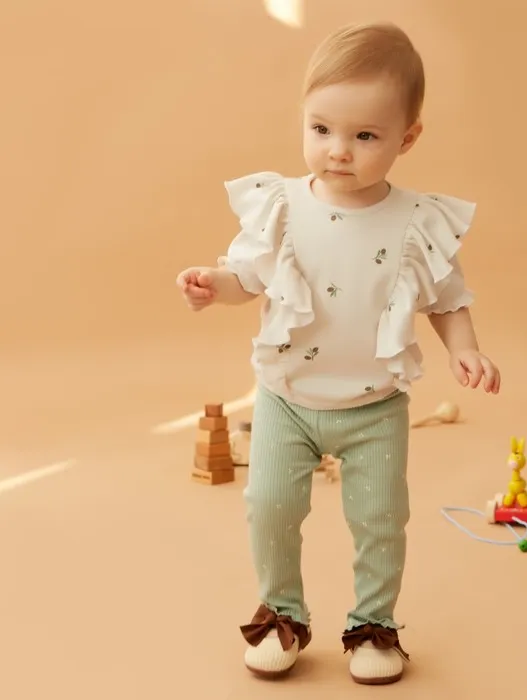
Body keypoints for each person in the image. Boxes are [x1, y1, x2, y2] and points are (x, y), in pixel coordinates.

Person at [176, 21, 501, 685]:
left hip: (374, 407)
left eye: (365, 136)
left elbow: (446, 299)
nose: (338, 151)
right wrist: (215, 285)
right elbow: (249, 278)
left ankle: (373, 625)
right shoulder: (281, 208)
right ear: (304, 117)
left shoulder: (416, 221)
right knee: (270, 506)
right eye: (321, 129)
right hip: (286, 399)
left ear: (407, 138)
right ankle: (282, 615)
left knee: (381, 519)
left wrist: (465, 350)